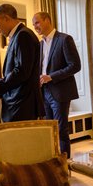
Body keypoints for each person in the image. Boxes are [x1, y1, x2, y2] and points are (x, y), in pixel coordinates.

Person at [0, 4, 44, 122]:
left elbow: (22, 72)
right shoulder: (18, 36)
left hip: (22, 105)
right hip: (19, 104)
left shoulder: (23, 35)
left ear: (7, 19)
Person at [32, 12, 81, 158]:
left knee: (61, 130)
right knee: (49, 131)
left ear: (47, 20)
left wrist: (51, 77)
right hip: (44, 92)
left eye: (37, 22)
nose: (35, 27)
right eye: (34, 24)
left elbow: (75, 65)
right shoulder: (40, 44)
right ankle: (53, 163)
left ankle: (64, 166)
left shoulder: (65, 39)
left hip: (60, 92)